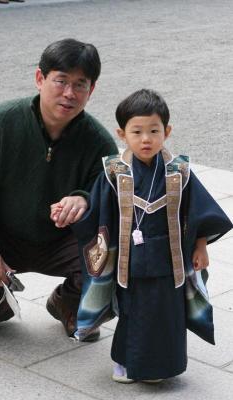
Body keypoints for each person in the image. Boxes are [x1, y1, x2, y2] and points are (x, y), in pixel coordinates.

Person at [54, 89, 232, 383]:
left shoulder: (179, 172)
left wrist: (201, 246)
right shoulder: (114, 172)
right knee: (132, 313)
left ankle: (162, 368)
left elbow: (199, 211)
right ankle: (126, 363)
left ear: (167, 131)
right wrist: (75, 211)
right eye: (137, 131)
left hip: (169, 259)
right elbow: (98, 211)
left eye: (154, 130)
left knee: (167, 314)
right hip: (130, 261)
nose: (146, 139)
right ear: (122, 133)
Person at [0, 38, 118, 341]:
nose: (69, 93)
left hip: (63, 242)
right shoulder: (0, 123)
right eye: (60, 80)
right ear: (40, 78)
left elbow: (115, 202)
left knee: (122, 257)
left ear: (92, 89)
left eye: (80, 85)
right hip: (4, 233)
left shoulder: (99, 143)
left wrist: (84, 200)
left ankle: (69, 302)